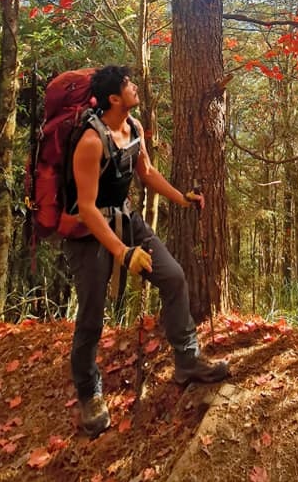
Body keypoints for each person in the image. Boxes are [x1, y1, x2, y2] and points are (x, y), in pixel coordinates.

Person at [63, 64, 230, 437]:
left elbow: (147, 172)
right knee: (91, 316)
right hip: (88, 233)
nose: (135, 87)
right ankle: (89, 394)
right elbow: (87, 209)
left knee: (173, 277)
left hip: (126, 220)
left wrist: (180, 199)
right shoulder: (90, 142)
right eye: (128, 85)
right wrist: (124, 253)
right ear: (113, 98)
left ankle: (187, 361)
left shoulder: (134, 128)